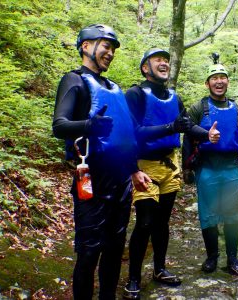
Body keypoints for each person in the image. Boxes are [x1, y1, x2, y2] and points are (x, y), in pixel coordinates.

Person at [52, 24, 150, 300]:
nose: (110, 53)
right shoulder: (74, 81)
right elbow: (59, 126)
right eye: (106, 46)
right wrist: (89, 125)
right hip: (91, 179)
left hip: (121, 181)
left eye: (113, 48)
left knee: (115, 247)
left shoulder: (115, 88)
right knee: (89, 250)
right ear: (86, 46)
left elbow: (125, 135)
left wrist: (134, 170)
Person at [122, 48, 218, 300]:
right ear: (145, 67)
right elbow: (131, 132)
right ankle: (133, 278)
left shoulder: (174, 97)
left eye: (166, 60)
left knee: (162, 222)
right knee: (144, 223)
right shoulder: (134, 94)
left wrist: (205, 134)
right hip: (144, 166)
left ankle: (160, 269)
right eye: (158, 60)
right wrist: (170, 127)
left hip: (170, 165)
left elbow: (186, 125)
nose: (164, 63)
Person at [187, 58, 238, 275]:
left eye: (222, 78)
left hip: (230, 167)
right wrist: (187, 168)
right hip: (207, 167)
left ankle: (232, 258)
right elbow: (188, 136)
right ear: (208, 83)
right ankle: (212, 257)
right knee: (208, 214)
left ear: (227, 81)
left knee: (231, 214)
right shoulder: (198, 108)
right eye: (214, 78)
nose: (219, 82)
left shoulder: (237, 109)